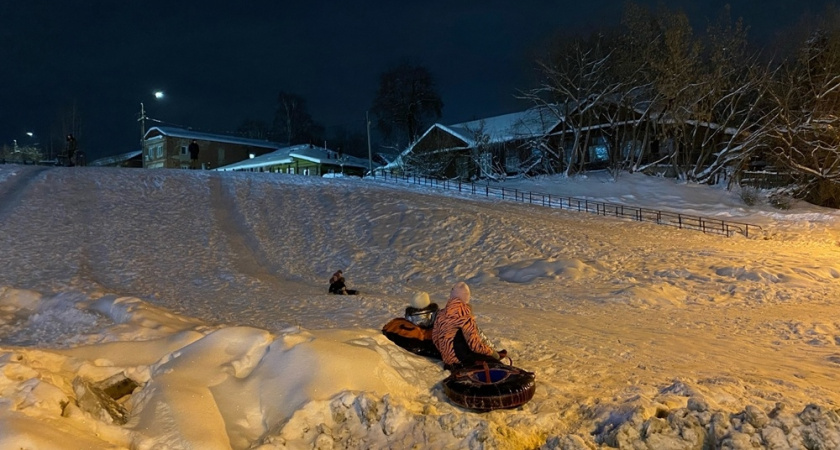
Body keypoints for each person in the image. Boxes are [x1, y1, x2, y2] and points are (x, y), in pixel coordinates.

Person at [432, 281, 506, 371]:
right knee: (498, 366)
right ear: (466, 298)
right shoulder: (464, 317)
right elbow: (474, 345)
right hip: (462, 360)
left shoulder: (441, 314)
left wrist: (447, 353)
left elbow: (435, 338)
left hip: (448, 360)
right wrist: (492, 353)